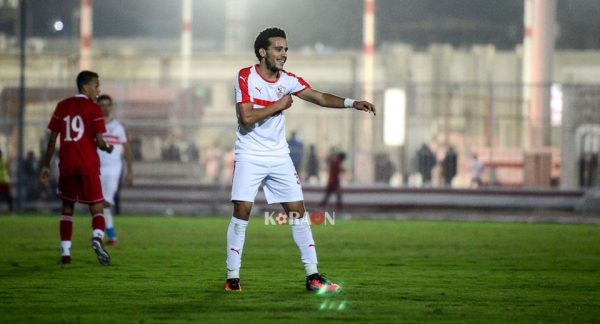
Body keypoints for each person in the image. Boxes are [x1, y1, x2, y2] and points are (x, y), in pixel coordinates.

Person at [226, 27, 375, 292]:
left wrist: (353, 102)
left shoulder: (288, 79)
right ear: (263, 52)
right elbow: (245, 118)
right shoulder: (245, 76)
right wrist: (278, 106)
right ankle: (232, 277)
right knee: (242, 212)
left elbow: (319, 97)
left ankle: (313, 276)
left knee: (298, 213)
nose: (284, 54)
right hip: (249, 154)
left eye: (286, 49)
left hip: (279, 156)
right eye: (278, 49)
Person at [39, 70, 114, 266]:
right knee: (97, 207)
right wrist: (107, 147)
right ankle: (97, 238)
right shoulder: (94, 109)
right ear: (85, 87)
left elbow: (52, 139)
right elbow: (99, 141)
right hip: (88, 165)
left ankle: (65, 254)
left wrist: (46, 165)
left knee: (67, 208)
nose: (98, 90)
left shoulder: (62, 106)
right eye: (96, 86)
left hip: (68, 165)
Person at [97, 94, 133, 246]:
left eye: (108, 105)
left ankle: (98, 236)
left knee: (105, 203)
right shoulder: (94, 126)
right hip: (96, 168)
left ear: (111, 107)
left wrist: (130, 172)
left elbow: (127, 150)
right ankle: (111, 236)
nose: (105, 108)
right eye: (101, 105)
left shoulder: (118, 127)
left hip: (113, 169)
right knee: (99, 203)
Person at [0, 148, 14, 214]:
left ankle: (11, 211)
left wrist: (9, 178)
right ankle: (11, 211)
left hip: (5, 181)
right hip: (3, 181)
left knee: (8, 197)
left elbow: (8, 170)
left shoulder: (4, 161)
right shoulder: (4, 161)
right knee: (8, 197)